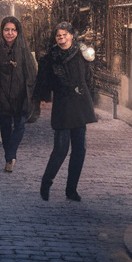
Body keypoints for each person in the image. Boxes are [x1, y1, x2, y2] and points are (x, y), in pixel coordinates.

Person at [35, 22, 98, 201]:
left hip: (79, 104)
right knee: (61, 148)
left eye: (64, 35)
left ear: (71, 35)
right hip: (62, 105)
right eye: (58, 36)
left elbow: (89, 77)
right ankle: (46, 182)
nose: (61, 38)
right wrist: (41, 98)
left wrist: (88, 98)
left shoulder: (82, 54)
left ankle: (71, 190)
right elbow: (44, 81)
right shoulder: (51, 57)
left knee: (80, 149)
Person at [0, 16, 37, 173]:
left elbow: (31, 72)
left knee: (20, 125)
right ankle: (9, 158)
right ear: (2, 31)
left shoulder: (23, 49)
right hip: (2, 92)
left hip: (20, 93)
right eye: (6, 30)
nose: (10, 33)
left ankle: (10, 153)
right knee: (6, 127)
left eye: (13, 30)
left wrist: (34, 94)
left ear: (18, 32)